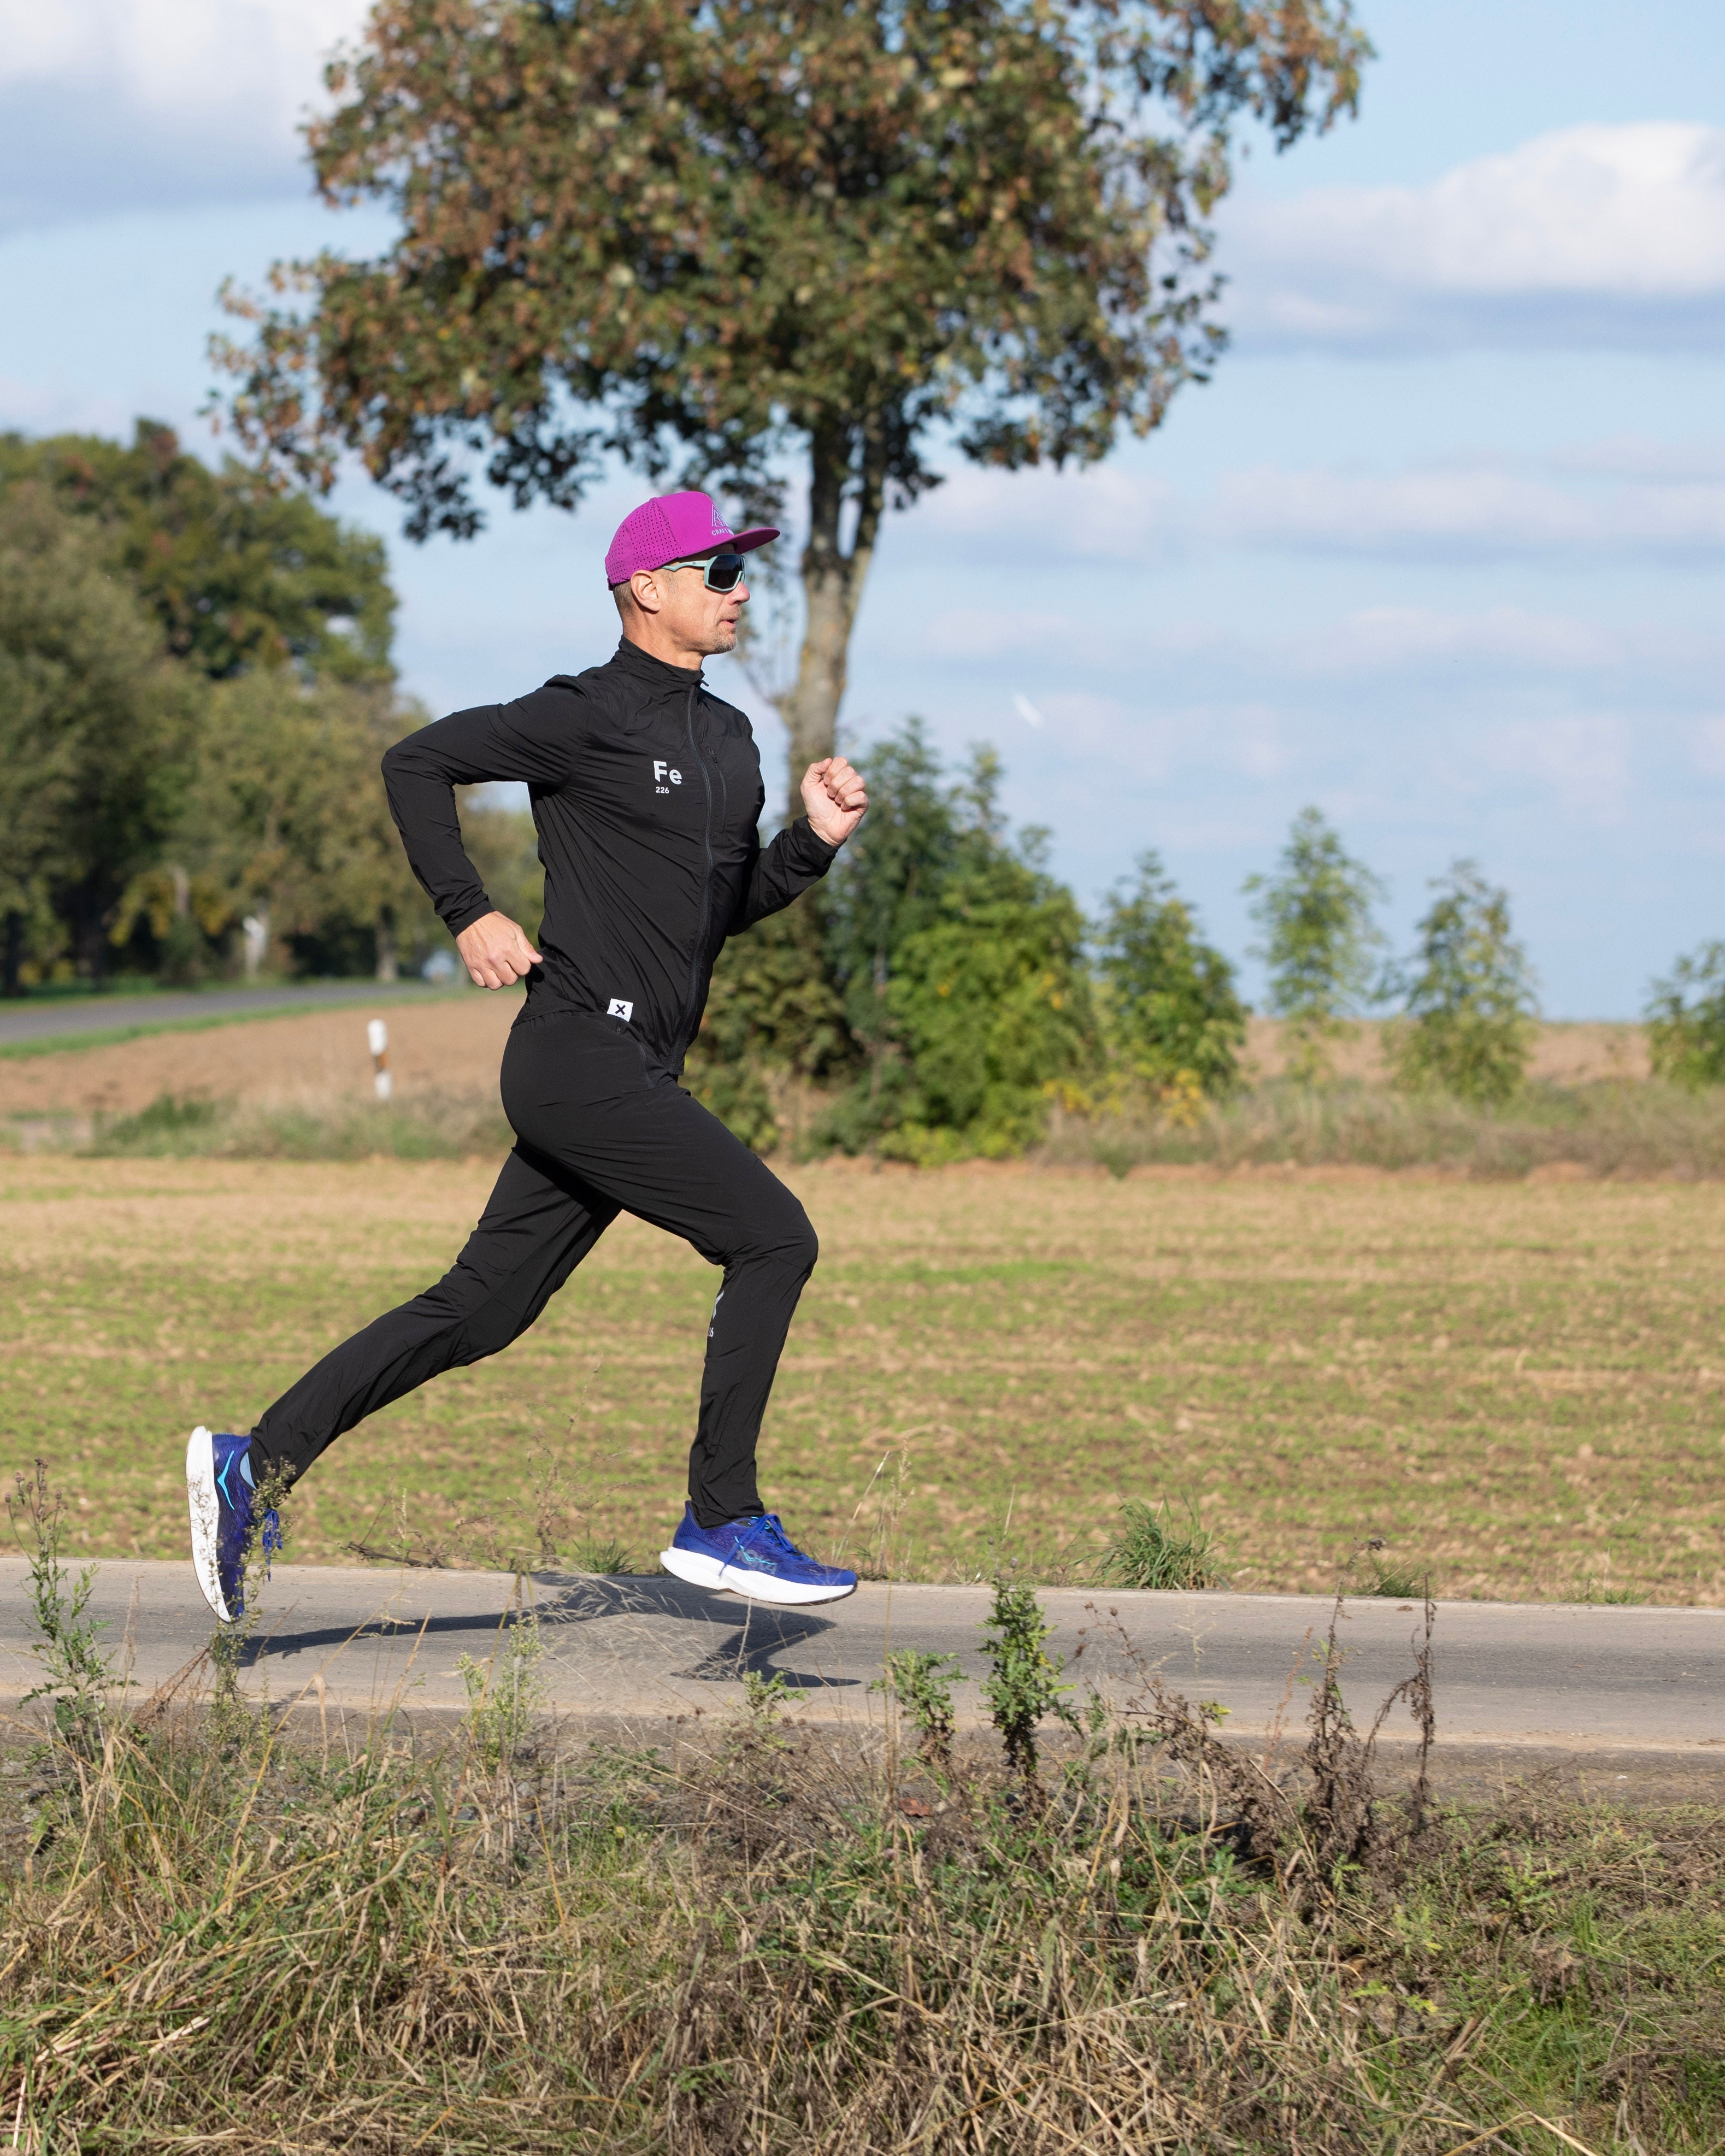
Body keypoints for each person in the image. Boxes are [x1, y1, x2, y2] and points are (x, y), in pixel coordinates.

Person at [185, 490, 868, 1622]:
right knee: (774, 1234)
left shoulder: (731, 740)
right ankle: (721, 1515)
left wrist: (809, 846)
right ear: (648, 587)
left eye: (743, 572)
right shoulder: (583, 714)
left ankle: (249, 1466)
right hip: (574, 1050)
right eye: (718, 571)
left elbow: (715, 908)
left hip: (637, 1067)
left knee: (480, 1311)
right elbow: (416, 762)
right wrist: (468, 909)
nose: (742, 590)